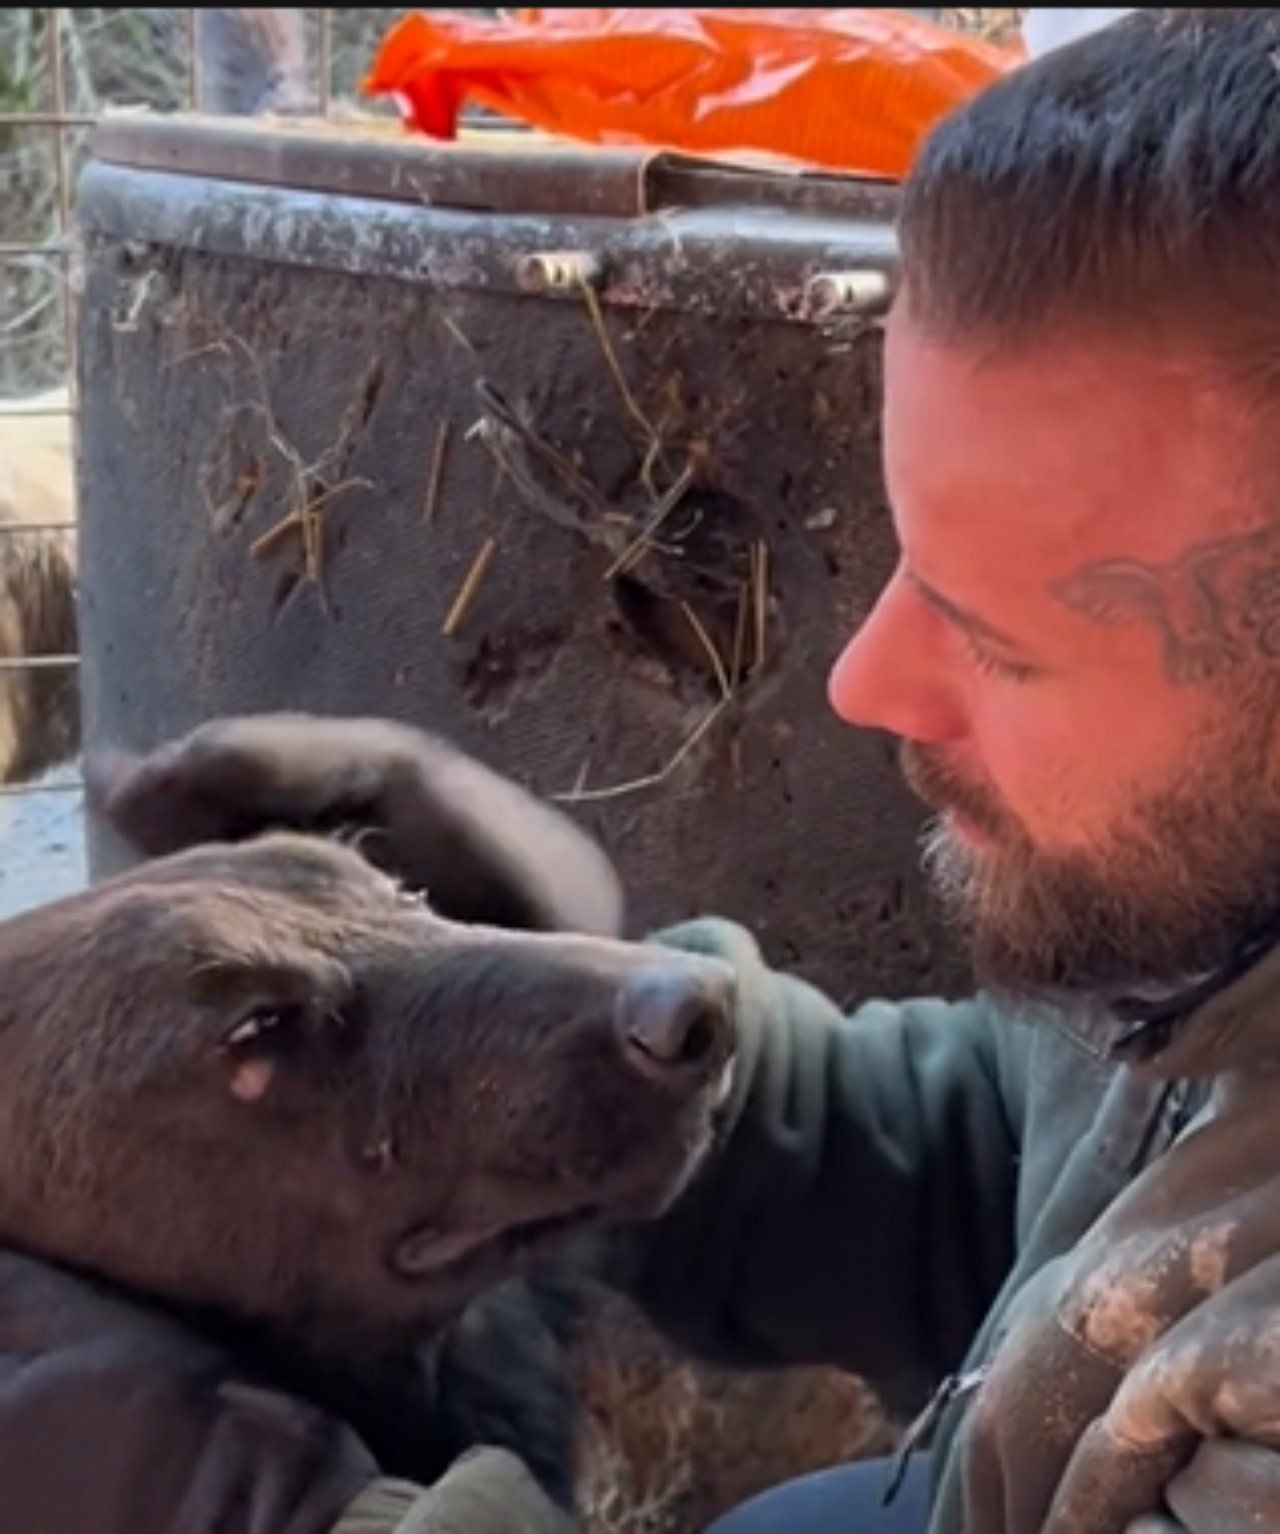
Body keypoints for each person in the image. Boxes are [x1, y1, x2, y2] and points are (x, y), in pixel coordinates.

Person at [592, 9, 1280, 1534]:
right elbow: (1058, 1155)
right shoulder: (1213, 921)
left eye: (999, 638)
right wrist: (621, 1061)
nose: (863, 682)